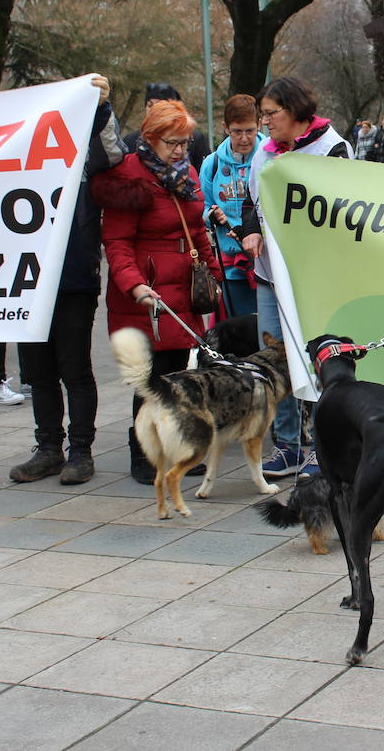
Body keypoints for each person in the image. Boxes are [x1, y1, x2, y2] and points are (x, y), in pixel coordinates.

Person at [92, 98, 221, 484]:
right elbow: (116, 241)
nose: (181, 150)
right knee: (149, 380)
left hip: (182, 286)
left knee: (179, 375)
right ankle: (143, 454)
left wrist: (212, 272)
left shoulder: (188, 173)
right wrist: (134, 284)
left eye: (185, 142)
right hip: (146, 294)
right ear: (150, 138)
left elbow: (196, 228)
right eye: (173, 143)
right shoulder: (128, 177)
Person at [234, 76, 352, 479]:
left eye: (271, 114)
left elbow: (342, 213)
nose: (264, 122)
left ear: (296, 111)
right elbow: (252, 202)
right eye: (261, 115)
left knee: (320, 359)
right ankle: (287, 445)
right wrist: (250, 229)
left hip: (314, 278)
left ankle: (324, 447)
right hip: (270, 277)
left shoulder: (332, 149)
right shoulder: (264, 153)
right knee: (273, 359)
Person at [10, 74, 125, 485]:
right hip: (24, 280)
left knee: (74, 368)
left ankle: (80, 450)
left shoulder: (80, 151)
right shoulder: (12, 157)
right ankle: (47, 448)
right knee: (37, 372)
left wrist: (99, 108)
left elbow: (113, 155)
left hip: (74, 276)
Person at [199, 93, 260, 318]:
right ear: (226, 128)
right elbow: (203, 204)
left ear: (259, 125)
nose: (244, 139)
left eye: (250, 131)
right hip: (231, 265)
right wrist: (211, 215)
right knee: (238, 334)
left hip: (264, 264)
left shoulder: (271, 158)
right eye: (237, 131)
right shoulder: (212, 163)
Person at [122, 82, 211, 171]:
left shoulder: (196, 140)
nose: (178, 151)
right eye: (149, 105)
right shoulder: (130, 141)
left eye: (183, 143)